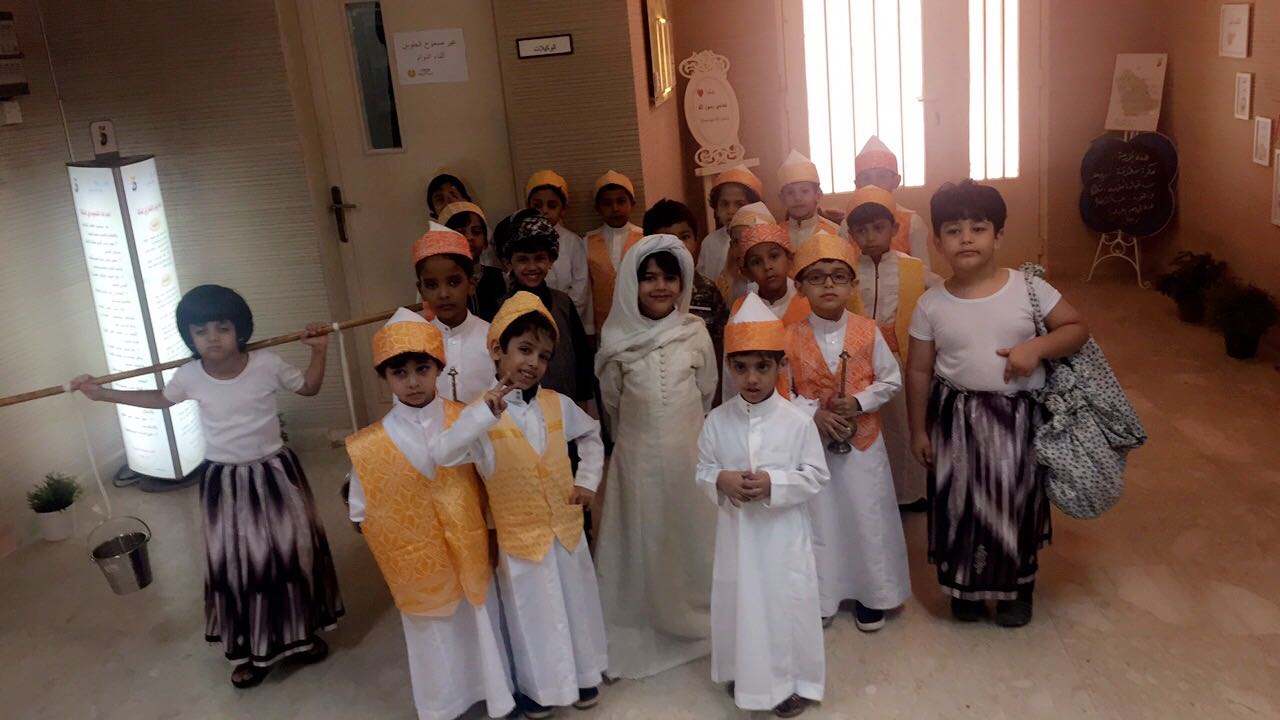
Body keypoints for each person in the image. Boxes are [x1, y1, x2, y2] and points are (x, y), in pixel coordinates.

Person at [70, 285, 343, 688]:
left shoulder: (267, 364)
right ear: (189, 337)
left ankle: (300, 635)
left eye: (222, 328)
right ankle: (254, 649)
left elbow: (309, 387)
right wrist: (102, 394)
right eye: (201, 331)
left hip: (276, 474)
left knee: (292, 551)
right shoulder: (190, 375)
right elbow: (161, 399)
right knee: (238, 564)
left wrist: (319, 351)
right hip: (225, 481)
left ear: (241, 329)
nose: (212, 338)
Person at [906, 180, 1089, 627]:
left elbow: (1076, 329)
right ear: (937, 242)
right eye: (953, 230)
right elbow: (918, 370)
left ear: (999, 235)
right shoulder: (930, 304)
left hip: (1016, 420)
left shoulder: (1029, 289)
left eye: (979, 228)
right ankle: (965, 588)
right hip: (955, 422)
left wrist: (1037, 348)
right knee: (959, 504)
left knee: (1015, 501)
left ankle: (1016, 590)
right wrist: (918, 429)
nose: (966, 238)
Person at [431, 292, 608, 718]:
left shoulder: (558, 404)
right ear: (497, 350)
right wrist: (481, 415)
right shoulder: (479, 415)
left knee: (576, 603)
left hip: (565, 530)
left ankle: (584, 673)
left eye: (543, 356)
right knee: (532, 616)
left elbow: (592, 435)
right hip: (521, 540)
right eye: (524, 350)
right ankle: (538, 687)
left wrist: (586, 481)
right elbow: (444, 454)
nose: (533, 363)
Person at [345, 308, 514, 720]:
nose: (413, 381)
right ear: (385, 377)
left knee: (479, 620)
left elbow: (490, 476)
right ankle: (444, 706)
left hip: (469, 544)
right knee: (433, 634)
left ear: (439, 367)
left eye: (422, 369)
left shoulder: (466, 417)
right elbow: (361, 510)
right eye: (399, 373)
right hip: (416, 560)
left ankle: (496, 696)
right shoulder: (367, 446)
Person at [697, 292, 829, 718]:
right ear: (729, 367)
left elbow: (816, 475)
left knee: (782, 603)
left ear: (781, 366)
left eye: (762, 366)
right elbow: (702, 469)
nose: (751, 378)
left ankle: (791, 682)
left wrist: (775, 483)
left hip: (782, 538)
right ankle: (742, 671)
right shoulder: (717, 421)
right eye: (741, 367)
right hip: (737, 536)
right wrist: (721, 479)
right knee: (739, 600)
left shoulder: (798, 421)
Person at [594, 234, 719, 679]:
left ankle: (696, 612)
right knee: (644, 536)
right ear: (632, 284)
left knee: (688, 530)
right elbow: (612, 401)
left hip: (689, 452)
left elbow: (707, 389)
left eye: (669, 278)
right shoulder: (615, 339)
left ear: (682, 283)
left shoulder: (695, 331)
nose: (660, 286)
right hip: (637, 454)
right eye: (648, 278)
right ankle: (641, 618)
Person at [785, 234, 912, 632]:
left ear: (853, 285)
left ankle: (872, 595)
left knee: (865, 515)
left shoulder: (869, 331)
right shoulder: (788, 336)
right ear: (799, 286)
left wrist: (859, 401)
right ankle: (823, 596)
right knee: (820, 518)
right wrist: (813, 415)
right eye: (817, 277)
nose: (828, 285)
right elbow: (784, 391)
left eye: (838, 276)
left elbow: (891, 381)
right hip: (814, 445)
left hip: (863, 445)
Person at [845, 186, 942, 508]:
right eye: (861, 230)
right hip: (858, 359)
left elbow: (944, 292)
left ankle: (910, 492)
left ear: (895, 228)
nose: (870, 236)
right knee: (868, 425)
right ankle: (869, 492)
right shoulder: (847, 268)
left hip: (903, 357)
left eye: (878, 227)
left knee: (904, 423)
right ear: (851, 234)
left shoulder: (913, 267)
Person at [492, 210, 594, 409]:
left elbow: (581, 357)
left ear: (551, 260)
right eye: (523, 259)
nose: (532, 267)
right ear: (508, 263)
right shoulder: (501, 309)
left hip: (566, 405)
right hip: (518, 410)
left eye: (539, 258)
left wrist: (581, 404)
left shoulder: (563, 303)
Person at [414, 222, 497, 404]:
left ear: (471, 284)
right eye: (432, 285)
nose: (443, 294)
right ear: (421, 290)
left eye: (453, 282)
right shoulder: (414, 346)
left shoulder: (493, 338)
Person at [643, 199, 729, 368]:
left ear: (696, 240)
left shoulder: (709, 291)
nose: (678, 246)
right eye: (667, 239)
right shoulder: (644, 292)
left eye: (685, 237)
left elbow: (720, 345)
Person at [853, 135, 933, 269]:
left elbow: (923, 272)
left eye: (881, 176)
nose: (874, 183)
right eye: (866, 178)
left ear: (896, 181)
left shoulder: (912, 222)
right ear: (857, 184)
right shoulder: (848, 223)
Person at [526, 170, 590, 326]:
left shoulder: (573, 242)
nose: (544, 211)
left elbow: (581, 286)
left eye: (552, 206)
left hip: (566, 317)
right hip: (529, 318)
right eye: (537, 205)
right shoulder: (521, 241)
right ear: (528, 206)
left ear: (563, 209)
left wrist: (563, 314)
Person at [585, 170, 643, 335]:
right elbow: (587, 290)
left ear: (632, 203)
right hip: (604, 325)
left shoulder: (644, 238)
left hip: (639, 322)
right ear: (598, 208)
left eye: (621, 201)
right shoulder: (588, 242)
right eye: (607, 203)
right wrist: (589, 328)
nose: (615, 208)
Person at [438, 202, 507, 322]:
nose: (469, 237)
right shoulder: (439, 281)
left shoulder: (499, 277)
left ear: (485, 242)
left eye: (476, 232)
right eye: (460, 233)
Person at [698, 164, 764, 282]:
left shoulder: (764, 238)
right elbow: (704, 281)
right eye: (724, 204)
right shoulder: (710, 242)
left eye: (739, 204)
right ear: (716, 209)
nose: (731, 211)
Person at [777, 150, 841, 251]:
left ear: (818, 195)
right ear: (782, 199)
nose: (797, 198)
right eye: (790, 192)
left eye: (804, 191)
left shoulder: (835, 232)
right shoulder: (775, 235)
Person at [716, 201, 773, 305]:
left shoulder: (778, 282)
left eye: (747, 240)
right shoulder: (730, 280)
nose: (741, 248)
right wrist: (729, 276)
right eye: (735, 242)